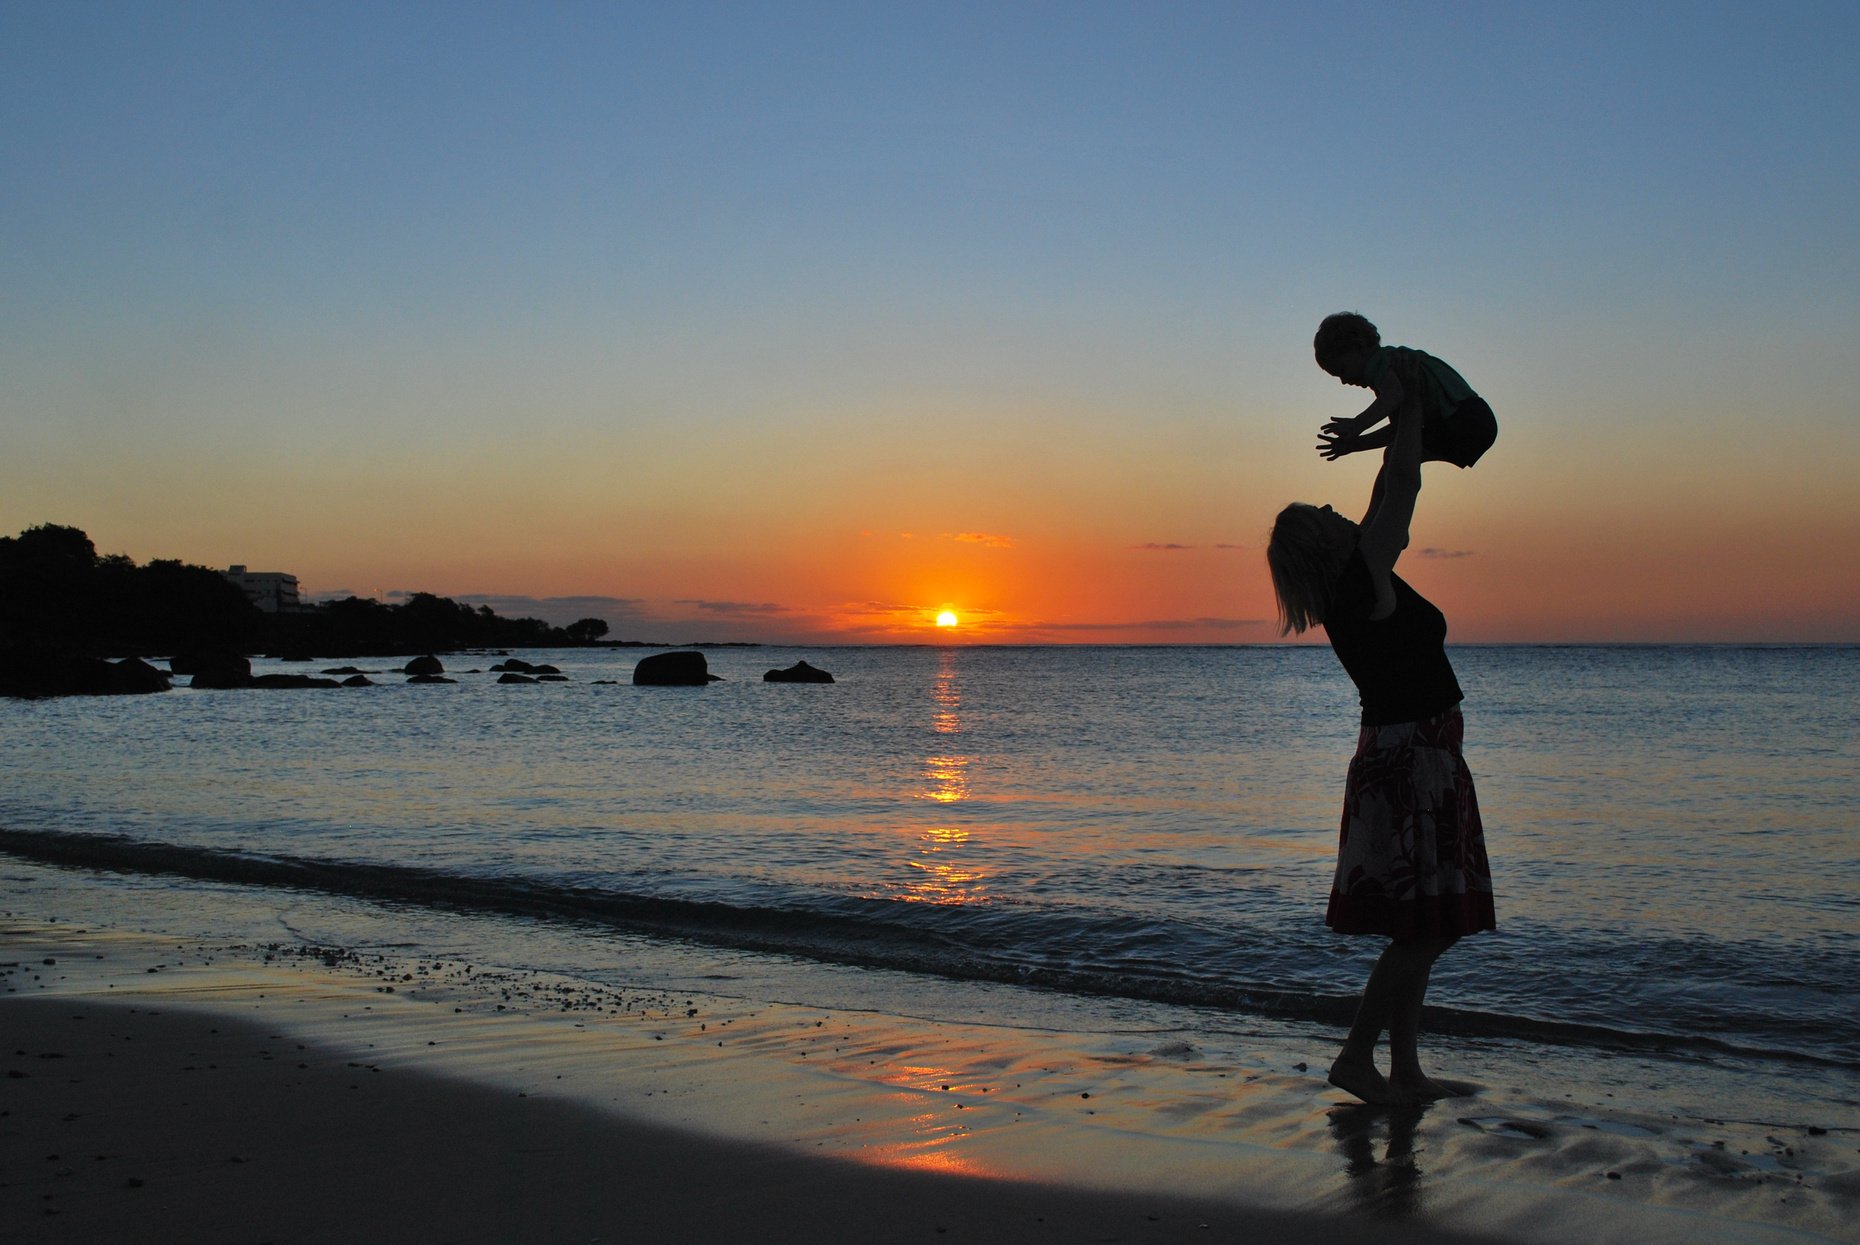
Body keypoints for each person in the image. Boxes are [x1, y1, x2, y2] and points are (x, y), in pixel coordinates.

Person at [1266, 392, 1496, 1106]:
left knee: (1420, 924)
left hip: (1411, 759)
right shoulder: (1362, 579)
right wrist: (1414, 428)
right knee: (1425, 934)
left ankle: (1406, 1069)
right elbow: (1401, 487)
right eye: (1327, 516)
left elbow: (1387, 484)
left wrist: (1402, 427)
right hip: (1410, 767)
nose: (1341, 514)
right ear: (1323, 542)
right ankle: (1356, 1058)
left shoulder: (1356, 579)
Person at [1312, 312, 1496, 479]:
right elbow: (1400, 430)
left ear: (1358, 347)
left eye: (1343, 370)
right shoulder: (1391, 369)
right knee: (1397, 453)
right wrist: (1354, 445)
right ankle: (1382, 512)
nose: (1344, 380)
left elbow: (1393, 396)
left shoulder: (1382, 364)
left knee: (1397, 456)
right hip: (1476, 419)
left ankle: (1385, 514)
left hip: (1465, 419)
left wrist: (1357, 424)